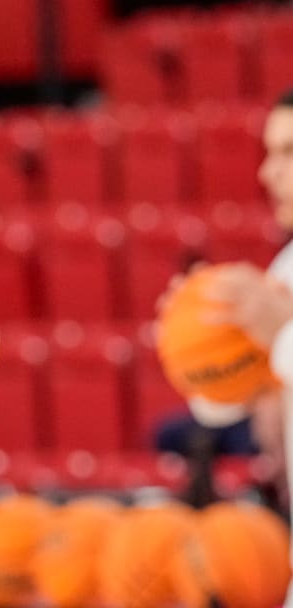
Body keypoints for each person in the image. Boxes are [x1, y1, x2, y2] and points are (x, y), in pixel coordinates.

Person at [181, 89, 293, 604]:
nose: (268, 173)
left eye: (290, 152)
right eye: (270, 152)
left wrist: (282, 335)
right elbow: (226, 405)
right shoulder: (286, 268)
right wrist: (196, 340)